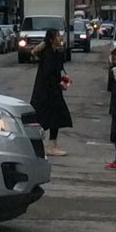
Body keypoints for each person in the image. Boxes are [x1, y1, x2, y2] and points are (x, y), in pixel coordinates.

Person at [30, 28, 72, 157]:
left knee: (53, 118)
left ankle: (51, 145)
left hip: (52, 91)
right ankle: (41, 145)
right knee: (46, 119)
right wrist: (59, 83)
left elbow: (57, 71)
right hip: (47, 93)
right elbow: (48, 75)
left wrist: (63, 79)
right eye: (58, 36)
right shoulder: (48, 54)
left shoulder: (55, 52)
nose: (60, 38)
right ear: (51, 39)